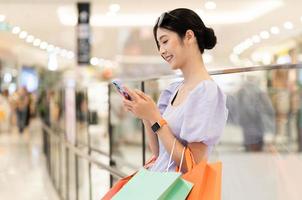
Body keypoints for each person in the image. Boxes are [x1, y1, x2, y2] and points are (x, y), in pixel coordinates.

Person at [122, 8, 228, 173]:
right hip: (161, 182)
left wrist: (154, 117)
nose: (161, 51)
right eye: (159, 44)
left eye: (164, 41)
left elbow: (192, 166)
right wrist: (146, 116)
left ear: (189, 36)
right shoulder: (173, 89)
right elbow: (159, 152)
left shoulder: (206, 92)